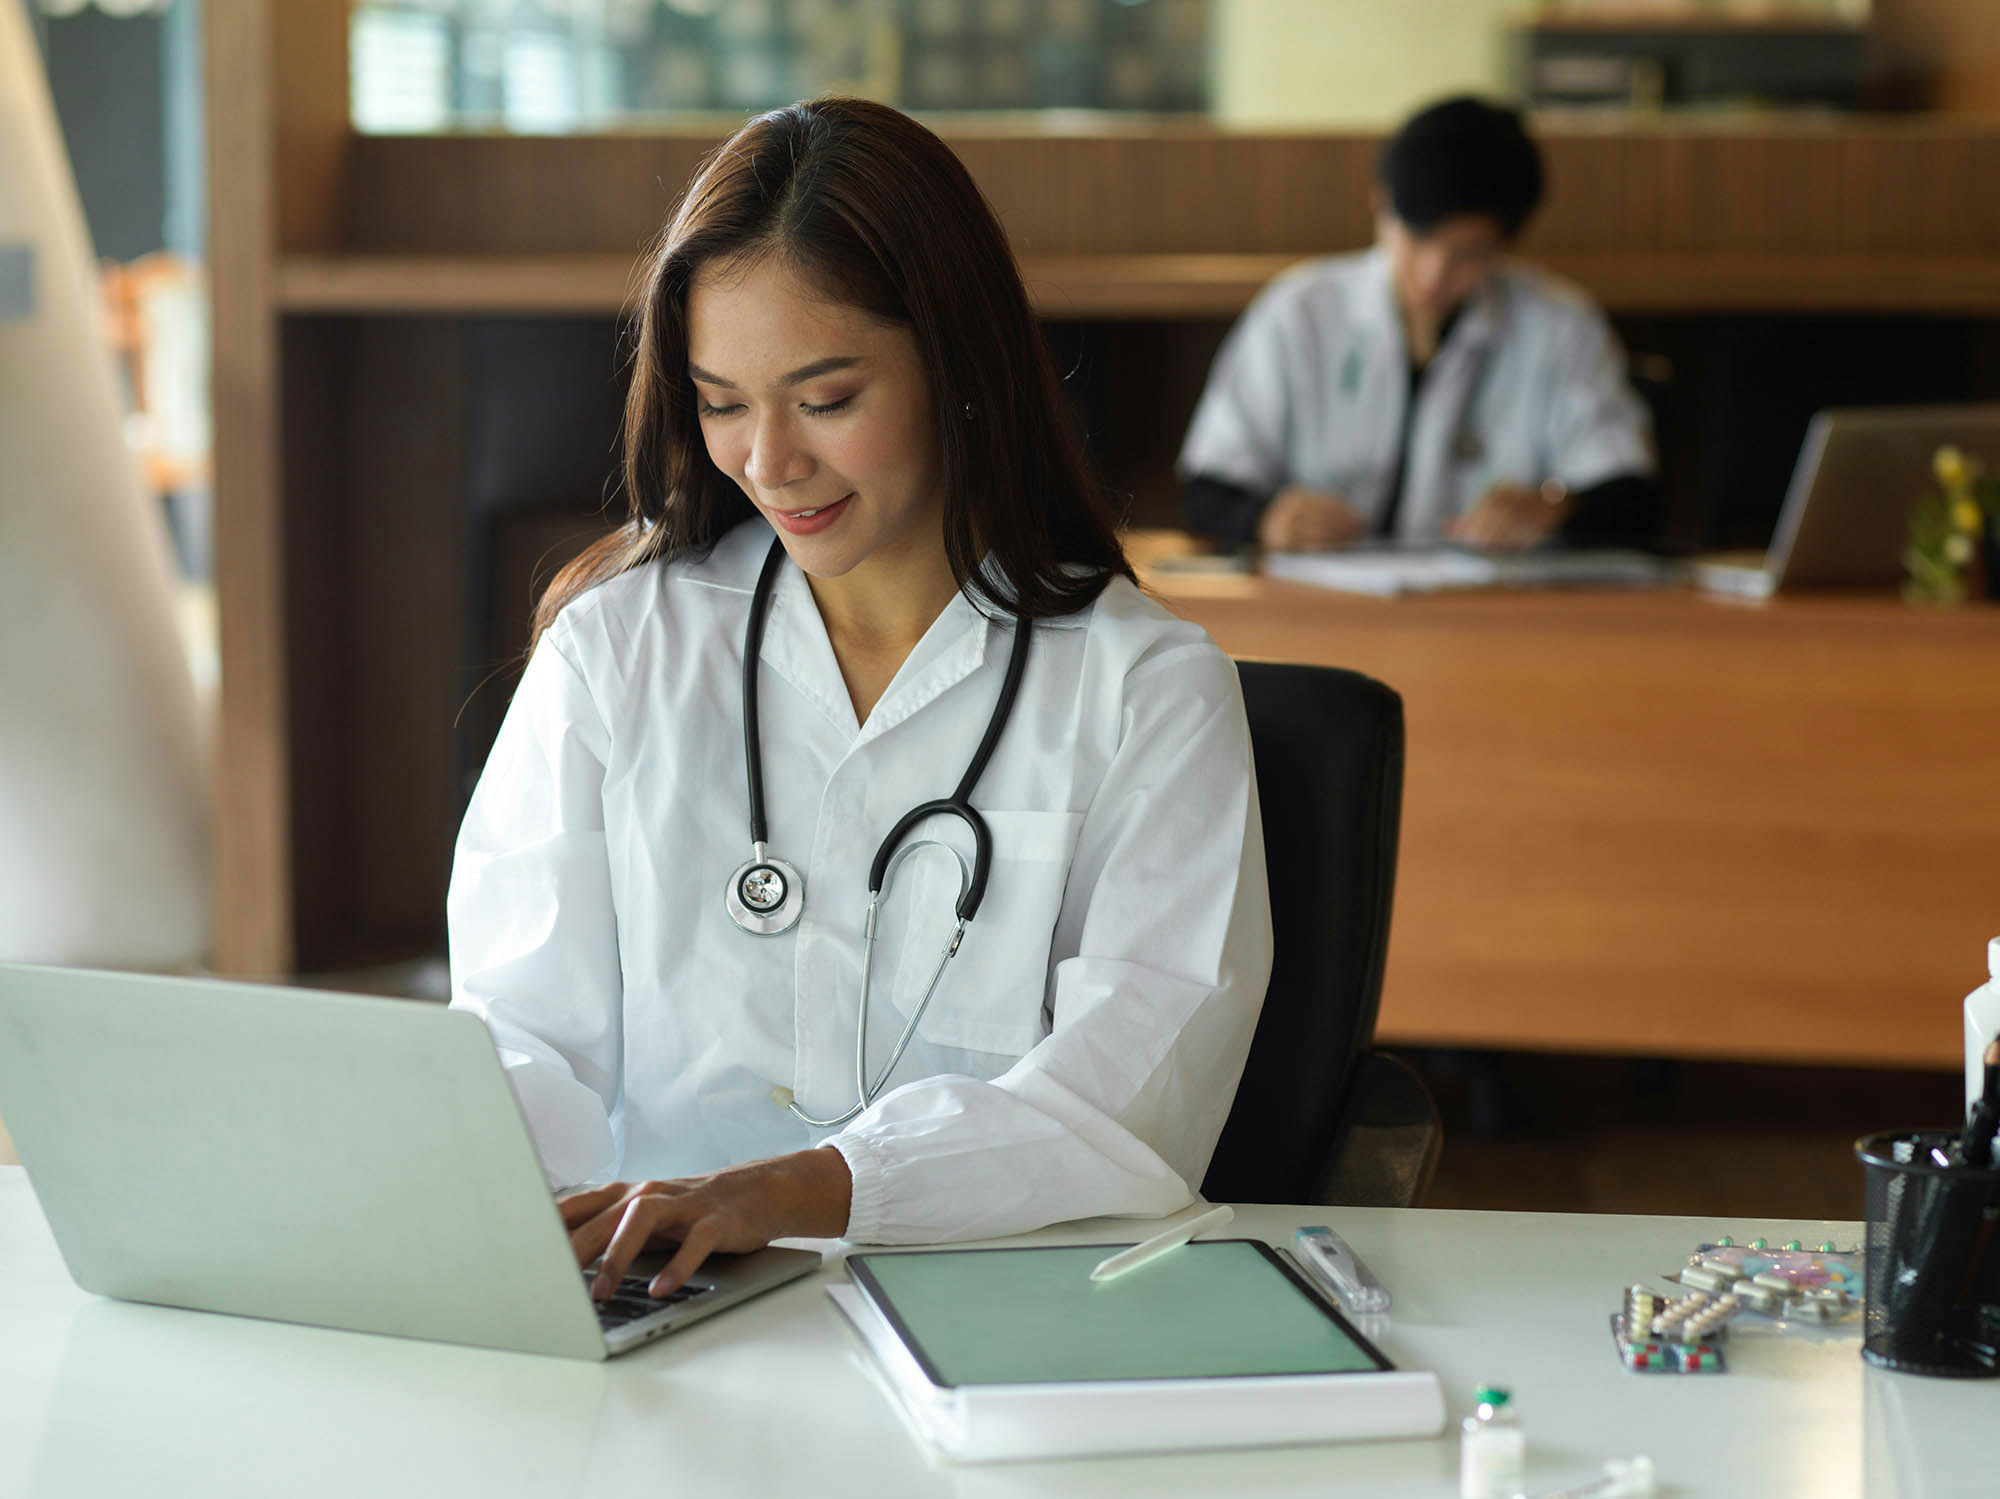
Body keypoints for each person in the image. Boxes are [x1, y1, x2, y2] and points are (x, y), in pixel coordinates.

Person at [447, 98, 1273, 1303]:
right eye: (721, 401)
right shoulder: (617, 653)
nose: (767, 461)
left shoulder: (1145, 689)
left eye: (825, 399)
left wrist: (786, 1190)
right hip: (662, 1305)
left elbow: (1127, 1108)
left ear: (956, 362)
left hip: (999, 1307)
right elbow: (517, 1036)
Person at [1179, 95, 1658, 554]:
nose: (1434, 275)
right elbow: (1208, 488)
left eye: (1469, 254)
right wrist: (1267, 519)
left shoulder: (1559, 326)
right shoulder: (1300, 312)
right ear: (1380, 204)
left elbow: (1628, 494)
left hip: (1492, 616)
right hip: (1316, 611)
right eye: (1418, 237)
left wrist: (1555, 507)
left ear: (1507, 244)